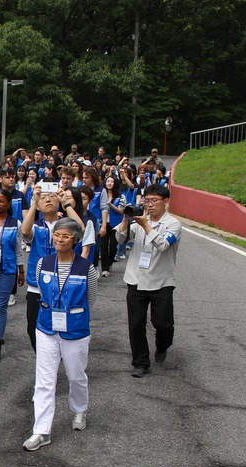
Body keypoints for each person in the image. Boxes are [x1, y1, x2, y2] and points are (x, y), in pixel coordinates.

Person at [23, 218, 99, 451]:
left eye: (65, 236)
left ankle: (79, 411)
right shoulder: (43, 263)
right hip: (46, 328)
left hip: (75, 331)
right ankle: (41, 431)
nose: (59, 239)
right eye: (57, 235)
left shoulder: (87, 268)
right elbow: (41, 293)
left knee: (76, 376)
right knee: (44, 381)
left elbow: (91, 299)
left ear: (75, 240)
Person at [115, 184, 182, 378]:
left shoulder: (173, 224)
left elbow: (162, 245)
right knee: (136, 324)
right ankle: (140, 362)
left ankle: (162, 346)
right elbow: (120, 240)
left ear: (166, 202)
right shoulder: (138, 222)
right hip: (136, 279)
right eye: (147, 200)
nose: (149, 205)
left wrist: (145, 224)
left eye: (154, 201)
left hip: (161, 281)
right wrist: (126, 220)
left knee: (162, 324)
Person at [20, 187, 85, 351]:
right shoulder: (36, 226)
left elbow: (81, 229)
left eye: (52, 197)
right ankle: (43, 357)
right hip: (37, 286)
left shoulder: (65, 226)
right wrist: (34, 202)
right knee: (33, 328)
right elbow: (25, 231)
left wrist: (67, 203)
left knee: (63, 324)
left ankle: (61, 356)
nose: (47, 200)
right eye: (43, 198)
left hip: (64, 282)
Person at [0, 189, 25, 363]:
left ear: (9, 203)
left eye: (1, 201)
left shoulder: (15, 223)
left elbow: (18, 248)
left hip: (7, 268)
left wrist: (21, 270)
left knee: (1, 305)